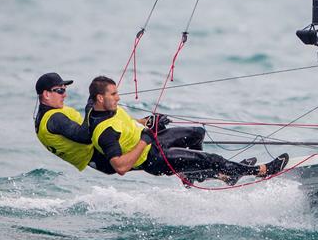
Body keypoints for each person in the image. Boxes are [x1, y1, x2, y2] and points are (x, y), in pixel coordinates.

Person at [87, 75, 289, 184]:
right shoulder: (105, 132)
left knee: (196, 133)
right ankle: (260, 171)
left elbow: (128, 125)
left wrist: (148, 122)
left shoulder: (104, 109)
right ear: (100, 98)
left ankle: (200, 175)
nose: (119, 97)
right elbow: (120, 167)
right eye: (114, 94)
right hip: (153, 159)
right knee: (212, 159)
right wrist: (146, 139)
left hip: (151, 142)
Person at [33, 72, 115, 174]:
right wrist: (90, 109)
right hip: (103, 157)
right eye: (60, 91)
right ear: (46, 94)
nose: (65, 95)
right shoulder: (55, 119)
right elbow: (85, 137)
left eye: (65, 90)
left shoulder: (43, 116)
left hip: (101, 154)